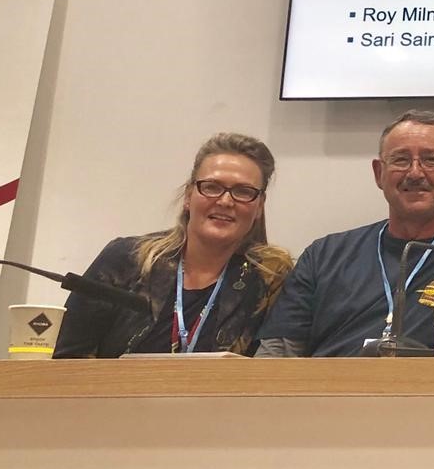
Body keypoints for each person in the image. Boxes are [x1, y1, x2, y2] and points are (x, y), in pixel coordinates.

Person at [255, 110, 434, 356]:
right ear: (378, 173)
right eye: (400, 160)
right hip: (325, 402)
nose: (414, 172)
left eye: (431, 160)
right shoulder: (324, 255)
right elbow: (276, 355)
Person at [53, 133, 293, 357]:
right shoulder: (126, 259)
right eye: (212, 187)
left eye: (243, 191)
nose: (225, 201)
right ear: (189, 196)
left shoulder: (270, 277)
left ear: (259, 206)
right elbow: (66, 357)